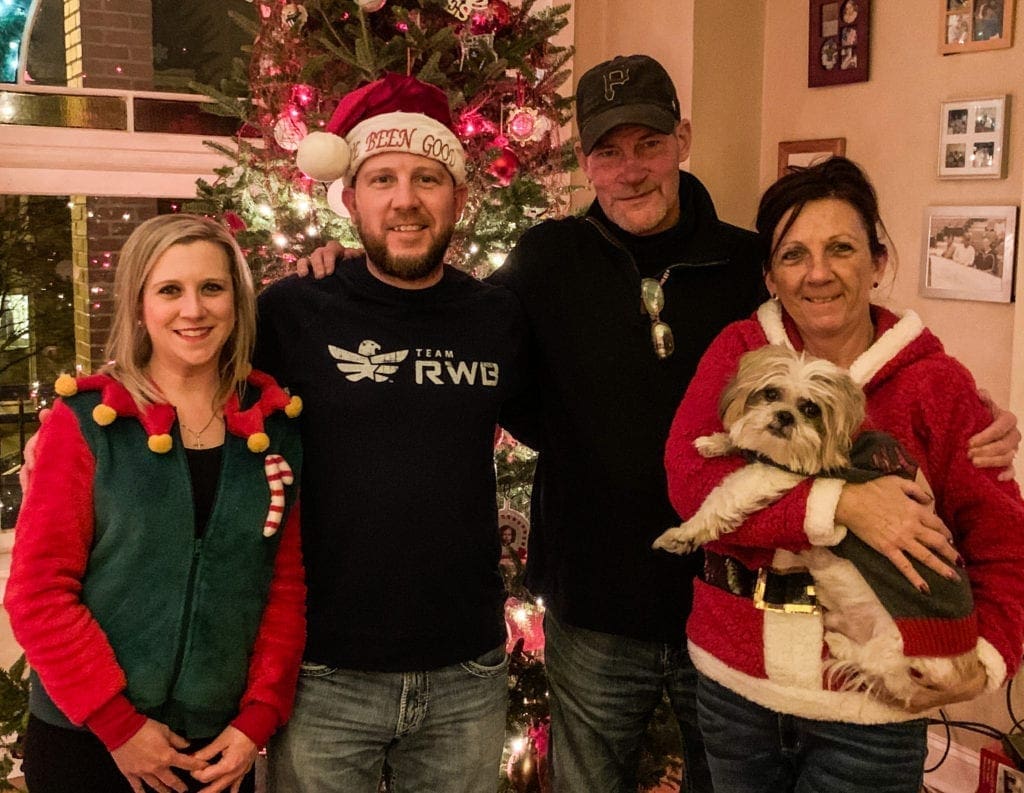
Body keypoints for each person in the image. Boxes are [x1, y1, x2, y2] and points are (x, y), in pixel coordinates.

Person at [299, 55, 1020, 793]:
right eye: (608, 152)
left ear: (683, 138)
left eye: (649, 144)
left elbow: (861, 349)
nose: (630, 169)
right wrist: (352, 270)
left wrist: (979, 416)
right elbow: (449, 323)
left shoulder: (752, 264)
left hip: (726, 603)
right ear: (586, 164)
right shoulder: (547, 259)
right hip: (594, 605)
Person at [663, 157, 1024, 793]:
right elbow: (690, 480)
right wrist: (841, 505)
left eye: (841, 249)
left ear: (878, 262)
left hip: (872, 709)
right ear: (771, 274)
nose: (819, 273)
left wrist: (989, 655)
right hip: (733, 688)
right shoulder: (739, 351)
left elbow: (1005, 541)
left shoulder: (936, 385)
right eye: (794, 255)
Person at [260, 73, 529, 792]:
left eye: (427, 178)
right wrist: (86, 433)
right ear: (349, 197)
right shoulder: (291, 312)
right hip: (325, 671)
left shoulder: (495, 316)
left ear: (460, 198)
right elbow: (189, 385)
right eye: (381, 178)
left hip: (466, 672)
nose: (404, 199)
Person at [4, 214, 306, 793]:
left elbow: (283, 590)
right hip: (88, 740)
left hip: (217, 749)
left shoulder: (274, 430)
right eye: (170, 290)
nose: (193, 310)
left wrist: (256, 720)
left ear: (238, 302)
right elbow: (39, 593)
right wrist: (118, 726)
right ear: (139, 304)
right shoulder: (87, 425)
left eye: (211, 288)